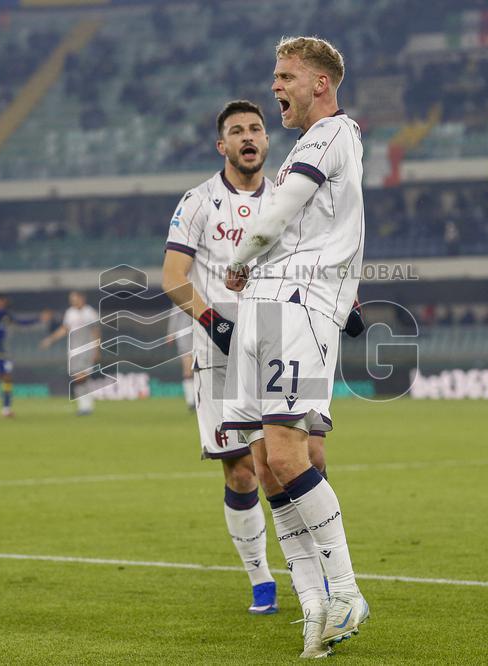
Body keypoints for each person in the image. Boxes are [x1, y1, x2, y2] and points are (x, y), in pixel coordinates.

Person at [222, 37, 368, 658]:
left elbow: (279, 213)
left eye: (286, 76)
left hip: (294, 308)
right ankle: (315, 609)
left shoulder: (332, 135)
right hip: (267, 308)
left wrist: (238, 259)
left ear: (320, 83)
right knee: (263, 462)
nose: (276, 85)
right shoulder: (309, 146)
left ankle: (347, 590)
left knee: (287, 454)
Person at [161, 99, 281, 615]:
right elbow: (172, 278)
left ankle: (320, 571)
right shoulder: (198, 201)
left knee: (295, 460)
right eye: (237, 131)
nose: (248, 137)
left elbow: (325, 258)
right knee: (241, 471)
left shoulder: (290, 197)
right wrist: (217, 324)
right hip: (220, 349)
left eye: (256, 128)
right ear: (222, 145)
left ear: (267, 140)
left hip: (281, 340)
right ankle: (261, 579)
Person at [0, 294, 49, 418]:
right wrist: (5, 308)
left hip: (1, 351)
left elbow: (21, 321)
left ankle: (6, 410)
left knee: (7, 378)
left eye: (2, 301)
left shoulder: (5, 315)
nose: (1, 303)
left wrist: (39, 318)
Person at [41, 290, 100, 416]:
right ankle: (85, 406)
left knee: (81, 376)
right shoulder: (70, 313)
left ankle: (85, 406)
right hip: (73, 350)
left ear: (82, 298)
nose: (72, 301)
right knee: (77, 378)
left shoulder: (90, 313)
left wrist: (96, 350)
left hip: (87, 349)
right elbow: (65, 329)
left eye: (74, 298)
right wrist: (50, 339)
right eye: (71, 299)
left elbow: (96, 332)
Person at [165, 306, 197, 410]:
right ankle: (191, 400)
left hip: (200, 335)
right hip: (185, 336)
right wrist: (171, 333)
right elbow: (174, 315)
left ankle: (195, 399)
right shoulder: (183, 293)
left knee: (198, 370)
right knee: (189, 370)